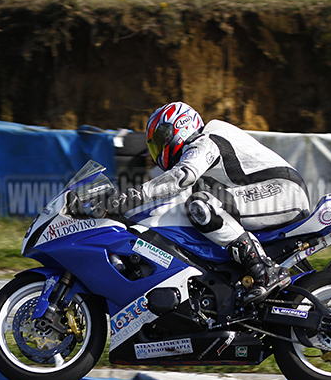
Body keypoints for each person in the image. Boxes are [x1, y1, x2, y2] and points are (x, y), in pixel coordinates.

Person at [127, 101, 311, 303]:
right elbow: (175, 197)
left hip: (283, 191)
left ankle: (264, 271)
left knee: (202, 205)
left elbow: (182, 177)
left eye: (161, 140)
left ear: (179, 127)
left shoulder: (206, 140)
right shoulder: (207, 147)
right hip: (272, 193)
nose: (158, 150)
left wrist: (134, 196)